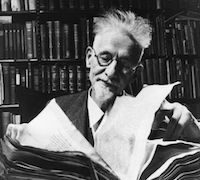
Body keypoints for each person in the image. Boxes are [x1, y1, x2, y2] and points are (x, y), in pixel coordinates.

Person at [6, 9, 200, 146]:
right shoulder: (56, 109)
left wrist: (194, 131)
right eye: (105, 58)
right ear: (89, 58)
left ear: (135, 74)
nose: (111, 71)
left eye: (124, 65)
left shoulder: (152, 120)